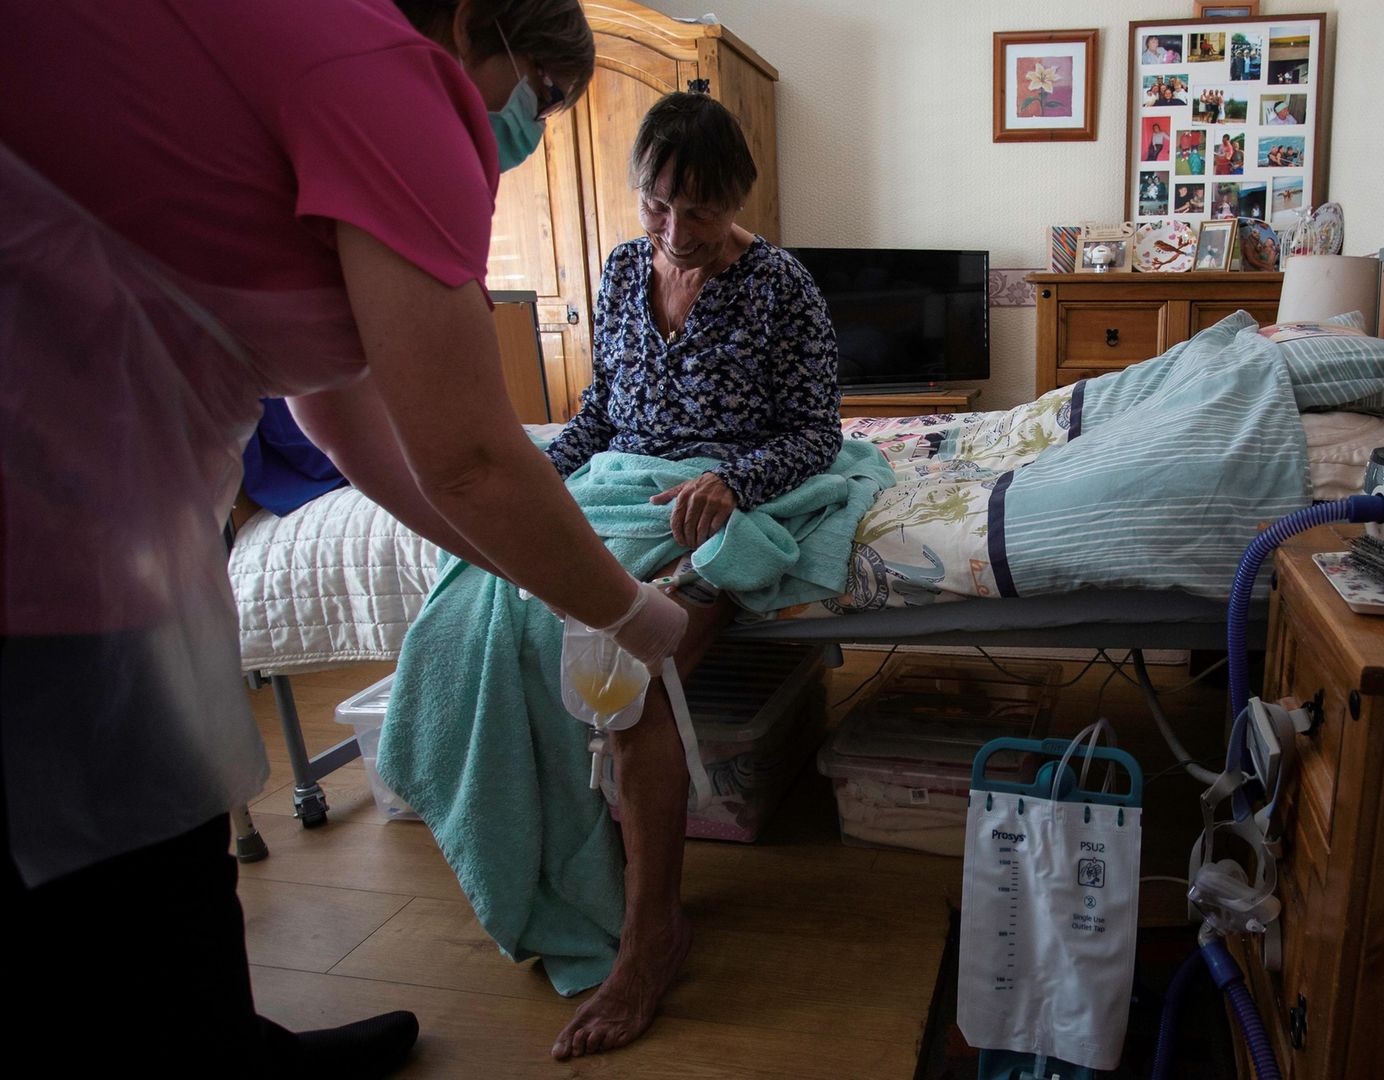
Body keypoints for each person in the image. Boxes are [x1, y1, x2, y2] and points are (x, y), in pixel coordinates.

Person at [0, 1, 646, 1074]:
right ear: (476, 23)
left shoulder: (313, 63)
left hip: (97, 456)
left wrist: (522, 564)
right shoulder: (393, 86)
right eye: (541, 92)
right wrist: (626, 607)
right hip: (49, 471)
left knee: (166, 793)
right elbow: (473, 461)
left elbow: (342, 419)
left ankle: (222, 1033)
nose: (530, 127)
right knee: (99, 823)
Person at [536, 90, 842, 1061]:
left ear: (739, 200)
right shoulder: (625, 270)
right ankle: (558, 877)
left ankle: (649, 935)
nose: (674, 233)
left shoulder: (781, 284)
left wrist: (733, 478)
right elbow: (599, 416)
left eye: (699, 212)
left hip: (721, 498)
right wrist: (524, 478)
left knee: (630, 677)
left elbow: (818, 432)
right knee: (492, 627)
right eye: (657, 206)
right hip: (623, 485)